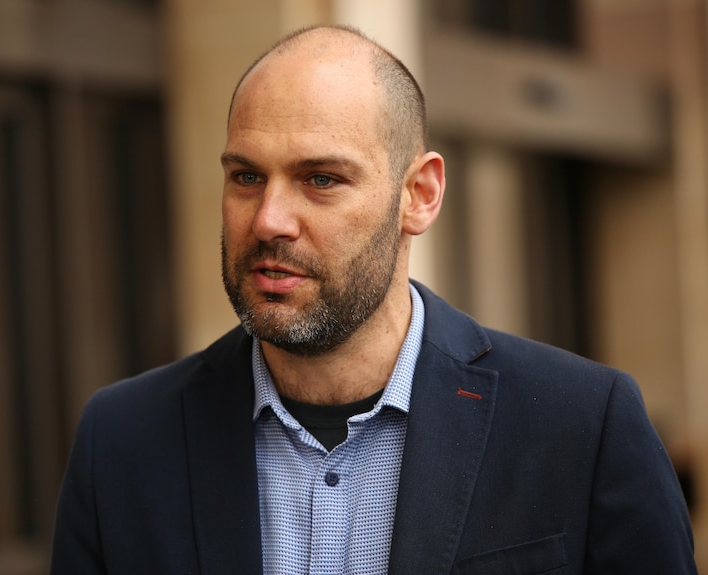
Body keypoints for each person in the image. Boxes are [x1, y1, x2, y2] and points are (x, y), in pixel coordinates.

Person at [50, 25, 696, 574]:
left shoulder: (581, 424)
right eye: (247, 176)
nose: (270, 218)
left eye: (320, 179)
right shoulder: (124, 442)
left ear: (419, 194)